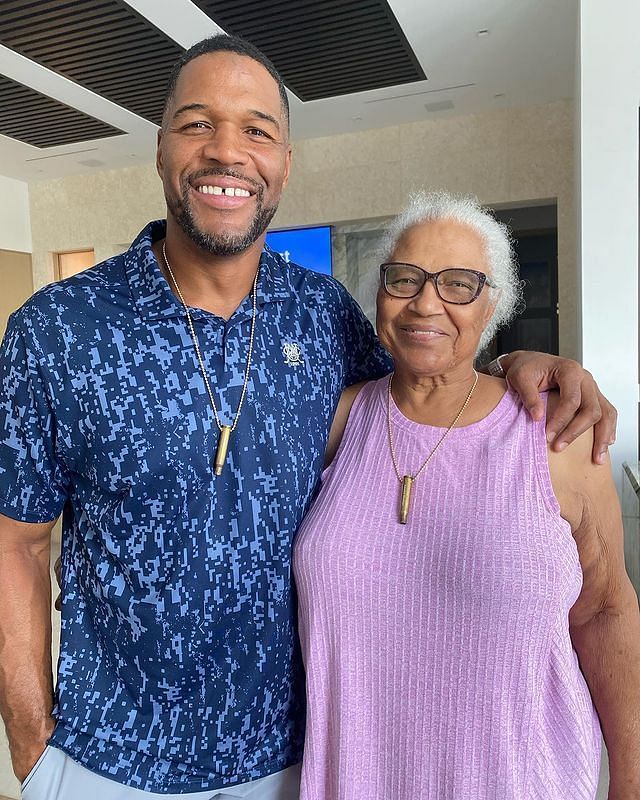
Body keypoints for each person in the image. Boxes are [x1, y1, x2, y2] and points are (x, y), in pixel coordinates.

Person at [0, 35, 616, 800]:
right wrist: (32, 742)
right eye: (197, 124)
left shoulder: (321, 314)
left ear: (285, 162)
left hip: (293, 760)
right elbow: (14, 542)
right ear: (160, 149)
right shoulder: (58, 330)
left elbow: (424, 383)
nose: (227, 151)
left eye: (257, 129)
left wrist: (519, 366)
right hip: (107, 760)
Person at [293, 191, 640, 800]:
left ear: (493, 306)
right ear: (379, 295)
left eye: (460, 284)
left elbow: (607, 612)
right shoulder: (336, 425)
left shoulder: (555, 438)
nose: (426, 302)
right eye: (404, 279)